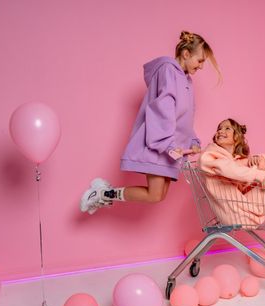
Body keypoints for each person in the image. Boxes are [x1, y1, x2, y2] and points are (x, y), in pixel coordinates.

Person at [80, 31, 220, 214]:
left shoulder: (186, 80)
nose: (201, 66)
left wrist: (192, 140)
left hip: (171, 148)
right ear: (186, 54)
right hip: (160, 145)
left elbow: (185, 117)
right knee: (155, 195)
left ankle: (104, 194)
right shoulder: (169, 71)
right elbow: (163, 108)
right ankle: (102, 193)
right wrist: (168, 144)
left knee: (159, 196)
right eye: (200, 61)